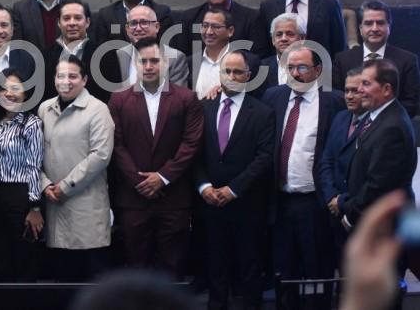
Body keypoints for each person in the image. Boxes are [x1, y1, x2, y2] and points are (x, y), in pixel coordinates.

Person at [108, 37, 203, 277]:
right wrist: (139, 181)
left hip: (173, 198)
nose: (149, 66)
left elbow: (191, 143)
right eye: (143, 61)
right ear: (136, 65)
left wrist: (163, 177)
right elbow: (116, 145)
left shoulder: (186, 98)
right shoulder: (119, 100)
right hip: (133, 198)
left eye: (154, 61)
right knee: (136, 267)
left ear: (165, 63)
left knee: (173, 267)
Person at [261, 43, 346, 296]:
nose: (295, 74)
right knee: (284, 275)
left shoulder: (335, 102)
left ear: (317, 70)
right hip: (279, 201)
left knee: (318, 272)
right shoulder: (273, 96)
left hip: (315, 203)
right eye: (290, 68)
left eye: (302, 67)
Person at [194, 50, 275, 310]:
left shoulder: (263, 112)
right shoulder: (203, 109)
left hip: (246, 203)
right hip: (210, 203)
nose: (231, 76)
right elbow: (193, 154)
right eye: (226, 71)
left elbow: (264, 158)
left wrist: (233, 189)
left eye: (237, 71)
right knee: (214, 265)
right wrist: (204, 186)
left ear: (248, 76)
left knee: (249, 267)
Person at [39, 55, 114, 281]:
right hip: (53, 204)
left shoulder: (98, 109)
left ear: (84, 80)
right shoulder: (44, 108)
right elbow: (34, 153)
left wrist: (65, 186)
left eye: (72, 76)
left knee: (90, 282)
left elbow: (100, 155)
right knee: (62, 280)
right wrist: (45, 185)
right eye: (61, 76)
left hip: (86, 206)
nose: (66, 81)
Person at [339, 59, 416, 228]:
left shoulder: (392, 127)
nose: (359, 90)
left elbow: (378, 185)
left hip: (384, 223)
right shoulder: (376, 115)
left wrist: (350, 214)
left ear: (386, 89)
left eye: (365, 84)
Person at [0, 68, 44, 281]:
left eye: (15, 89)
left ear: (25, 94)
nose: (9, 93)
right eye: (3, 89)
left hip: (21, 196)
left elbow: (34, 166)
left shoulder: (31, 124)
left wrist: (35, 207)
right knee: (0, 257)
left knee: (23, 258)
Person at [333, 0, 420, 117]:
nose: (374, 28)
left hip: (390, 130)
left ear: (389, 26)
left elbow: (411, 104)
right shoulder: (342, 60)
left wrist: (377, 123)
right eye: (369, 23)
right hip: (351, 128)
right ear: (360, 28)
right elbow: (337, 100)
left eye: (380, 23)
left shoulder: (407, 61)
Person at [317, 68, 367, 265]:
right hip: (336, 212)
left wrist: (343, 202)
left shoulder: (378, 125)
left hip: (362, 215)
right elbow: (327, 160)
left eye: (355, 91)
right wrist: (331, 196)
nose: (349, 96)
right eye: (347, 90)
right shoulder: (340, 118)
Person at [44, 1, 112, 102]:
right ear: (59, 23)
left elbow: (109, 96)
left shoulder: (105, 55)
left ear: (88, 22)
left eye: (78, 18)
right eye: (66, 18)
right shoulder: (45, 56)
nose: (72, 23)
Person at [108, 5, 188, 90]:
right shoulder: (121, 54)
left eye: (144, 23)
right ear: (127, 29)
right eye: (133, 23)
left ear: (157, 27)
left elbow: (178, 98)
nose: (138, 28)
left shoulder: (175, 57)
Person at [189, 9, 234, 99]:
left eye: (216, 27)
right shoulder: (190, 62)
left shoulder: (246, 62)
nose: (209, 32)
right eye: (205, 26)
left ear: (230, 31)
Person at [260, 13, 306, 90]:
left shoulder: (313, 68)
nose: (283, 38)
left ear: (302, 39)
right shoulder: (260, 68)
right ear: (273, 40)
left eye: (290, 34)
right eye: (279, 34)